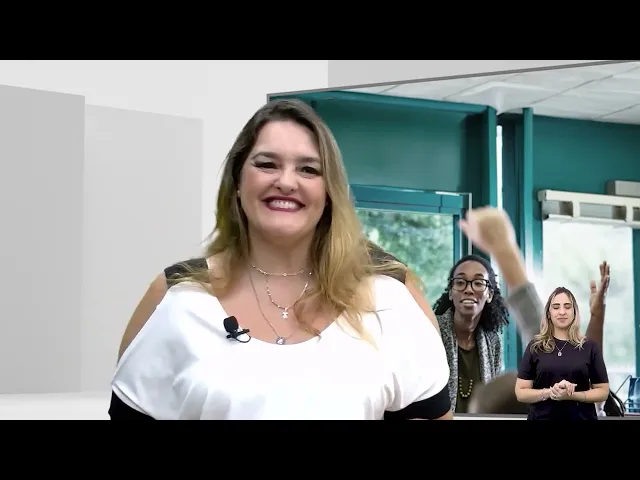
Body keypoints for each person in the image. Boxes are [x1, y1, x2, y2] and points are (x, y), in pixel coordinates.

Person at [109, 99, 452, 420]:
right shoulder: (177, 296)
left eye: (308, 169)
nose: (286, 182)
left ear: (329, 191)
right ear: (238, 181)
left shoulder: (389, 297)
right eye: (267, 164)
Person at [515, 286, 610, 420]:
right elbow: (521, 393)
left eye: (567, 307)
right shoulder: (535, 347)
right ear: (549, 313)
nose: (562, 312)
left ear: (574, 312)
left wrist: (572, 395)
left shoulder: (589, 347)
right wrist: (551, 392)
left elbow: (603, 391)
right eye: (556, 307)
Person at [432, 254, 510, 413]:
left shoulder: (493, 342)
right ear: (450, 292)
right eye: (460, 282)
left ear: (489, 295)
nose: (468, 289)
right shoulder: (431, 331)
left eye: (478, 283)